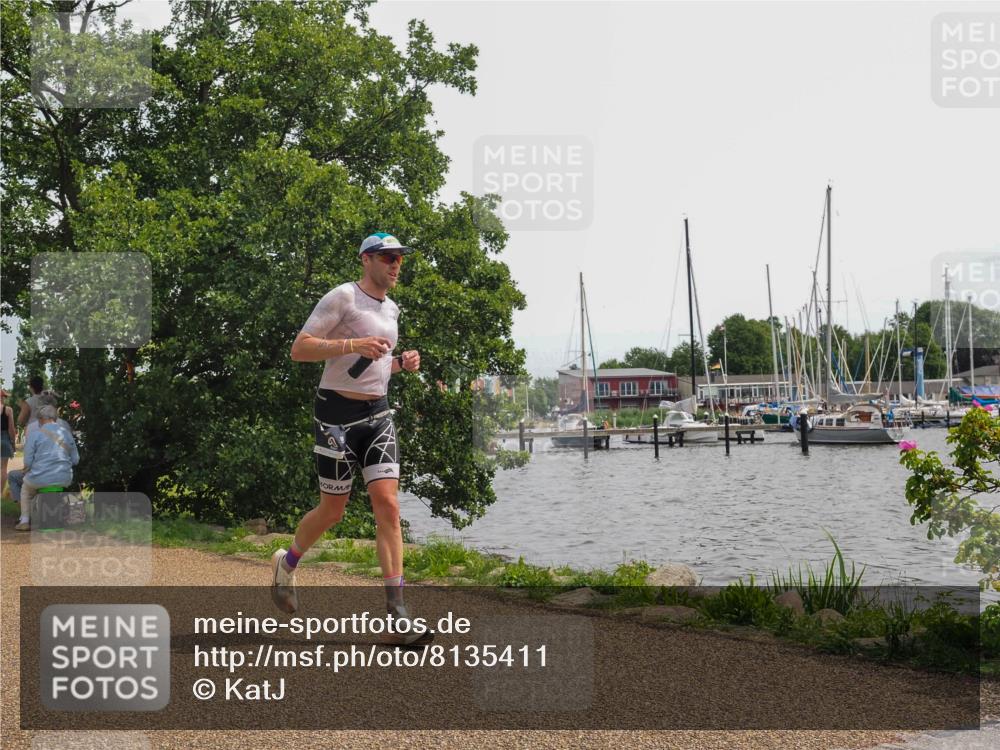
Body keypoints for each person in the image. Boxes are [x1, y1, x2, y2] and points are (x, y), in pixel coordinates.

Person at [274, 232, 422, 641]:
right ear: (366, 259)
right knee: (332, 511)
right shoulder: (343, 297)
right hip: (335, 418)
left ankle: (397, 613)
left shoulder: (391, 308)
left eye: (400, 259)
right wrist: (353, 343)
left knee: (388, 505)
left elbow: (374, 366)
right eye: (388, 257)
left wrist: (401, 363)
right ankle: (287, 563)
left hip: (378, 414)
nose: (396, 265)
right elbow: (300, 349)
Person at [9, 405, 79, 531]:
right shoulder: (67, 434)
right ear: (55, 418)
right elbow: (76, 460)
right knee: (35, 483)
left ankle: (24, 521)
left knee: (26, 489)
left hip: (40, 478)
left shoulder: (34, 435)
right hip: (64, 477)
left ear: (41, 419)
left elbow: (28, 462)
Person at [1, 389, 15, 497]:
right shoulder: (8, 410)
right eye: (5, 397)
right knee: (3, 468)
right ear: (2, 397)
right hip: (4, 439)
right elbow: (11, 429)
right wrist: (13, 443)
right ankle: (0, 493)